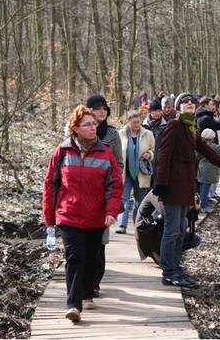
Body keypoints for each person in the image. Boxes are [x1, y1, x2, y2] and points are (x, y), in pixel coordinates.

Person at [42, 105, 122, 323]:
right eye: (87, 124)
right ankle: (73, 305)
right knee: (74, 257)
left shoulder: (105, 152)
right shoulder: (62, 152)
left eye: (94, 124)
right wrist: (49, 218)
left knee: (91, 258)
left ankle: (87, 293)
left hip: (96, 217)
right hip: (68, 215)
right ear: (75, 128)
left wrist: (111, 211)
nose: (93, 127)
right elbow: (51, 184)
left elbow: (114, 185)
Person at [152, 92, 220, 288]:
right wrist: (161, 184)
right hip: (173, 188)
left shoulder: (190, 126)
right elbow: (163, 156)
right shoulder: (175, 125)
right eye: (185, 102)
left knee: (180, 228)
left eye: (192, 101)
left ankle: (175, 267)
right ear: (178, 107)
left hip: (186, 188)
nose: (190, 103)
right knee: (172, 230)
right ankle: (168, 271)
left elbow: (207, 150)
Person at [85, 94, 124, 298]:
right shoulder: (75, 132)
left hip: (103, 193)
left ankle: (95, 283)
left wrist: (113, 185)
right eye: (97, 108)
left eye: (104, 108)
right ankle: (82, 282)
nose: (102, 111)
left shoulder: (112, 134)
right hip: (81, 194)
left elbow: (119, 162)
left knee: (100, 243)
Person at [134, 190, 201, 264]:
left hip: (159, 229)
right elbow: (166, 213)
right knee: (178, 223)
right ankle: (157, 252)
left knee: (195, 239)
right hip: (147, 232)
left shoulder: (178, 193)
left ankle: (169, 253)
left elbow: (189, 220)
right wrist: (186, 206)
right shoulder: (157, 192)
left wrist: (194, 208)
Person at [116, 111, 155, 234]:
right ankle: (121, 225)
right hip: (125, 173)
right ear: (128, 122)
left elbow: (154, 150)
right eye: (134, 123)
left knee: (140, 200)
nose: (137, 125)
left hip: (141, 173)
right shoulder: (120, 134)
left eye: (138, 122)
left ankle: (137, 225)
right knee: (124, 199)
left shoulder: (148, 134)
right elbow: (117, 152)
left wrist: (149, 154)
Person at [142, 99, 167, 182]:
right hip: (145, 160)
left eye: (159, 111)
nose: (157, 113)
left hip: (160, 161)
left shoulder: (165, 126)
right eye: (155, 111)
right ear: (150, 111)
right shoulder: (143, 126)